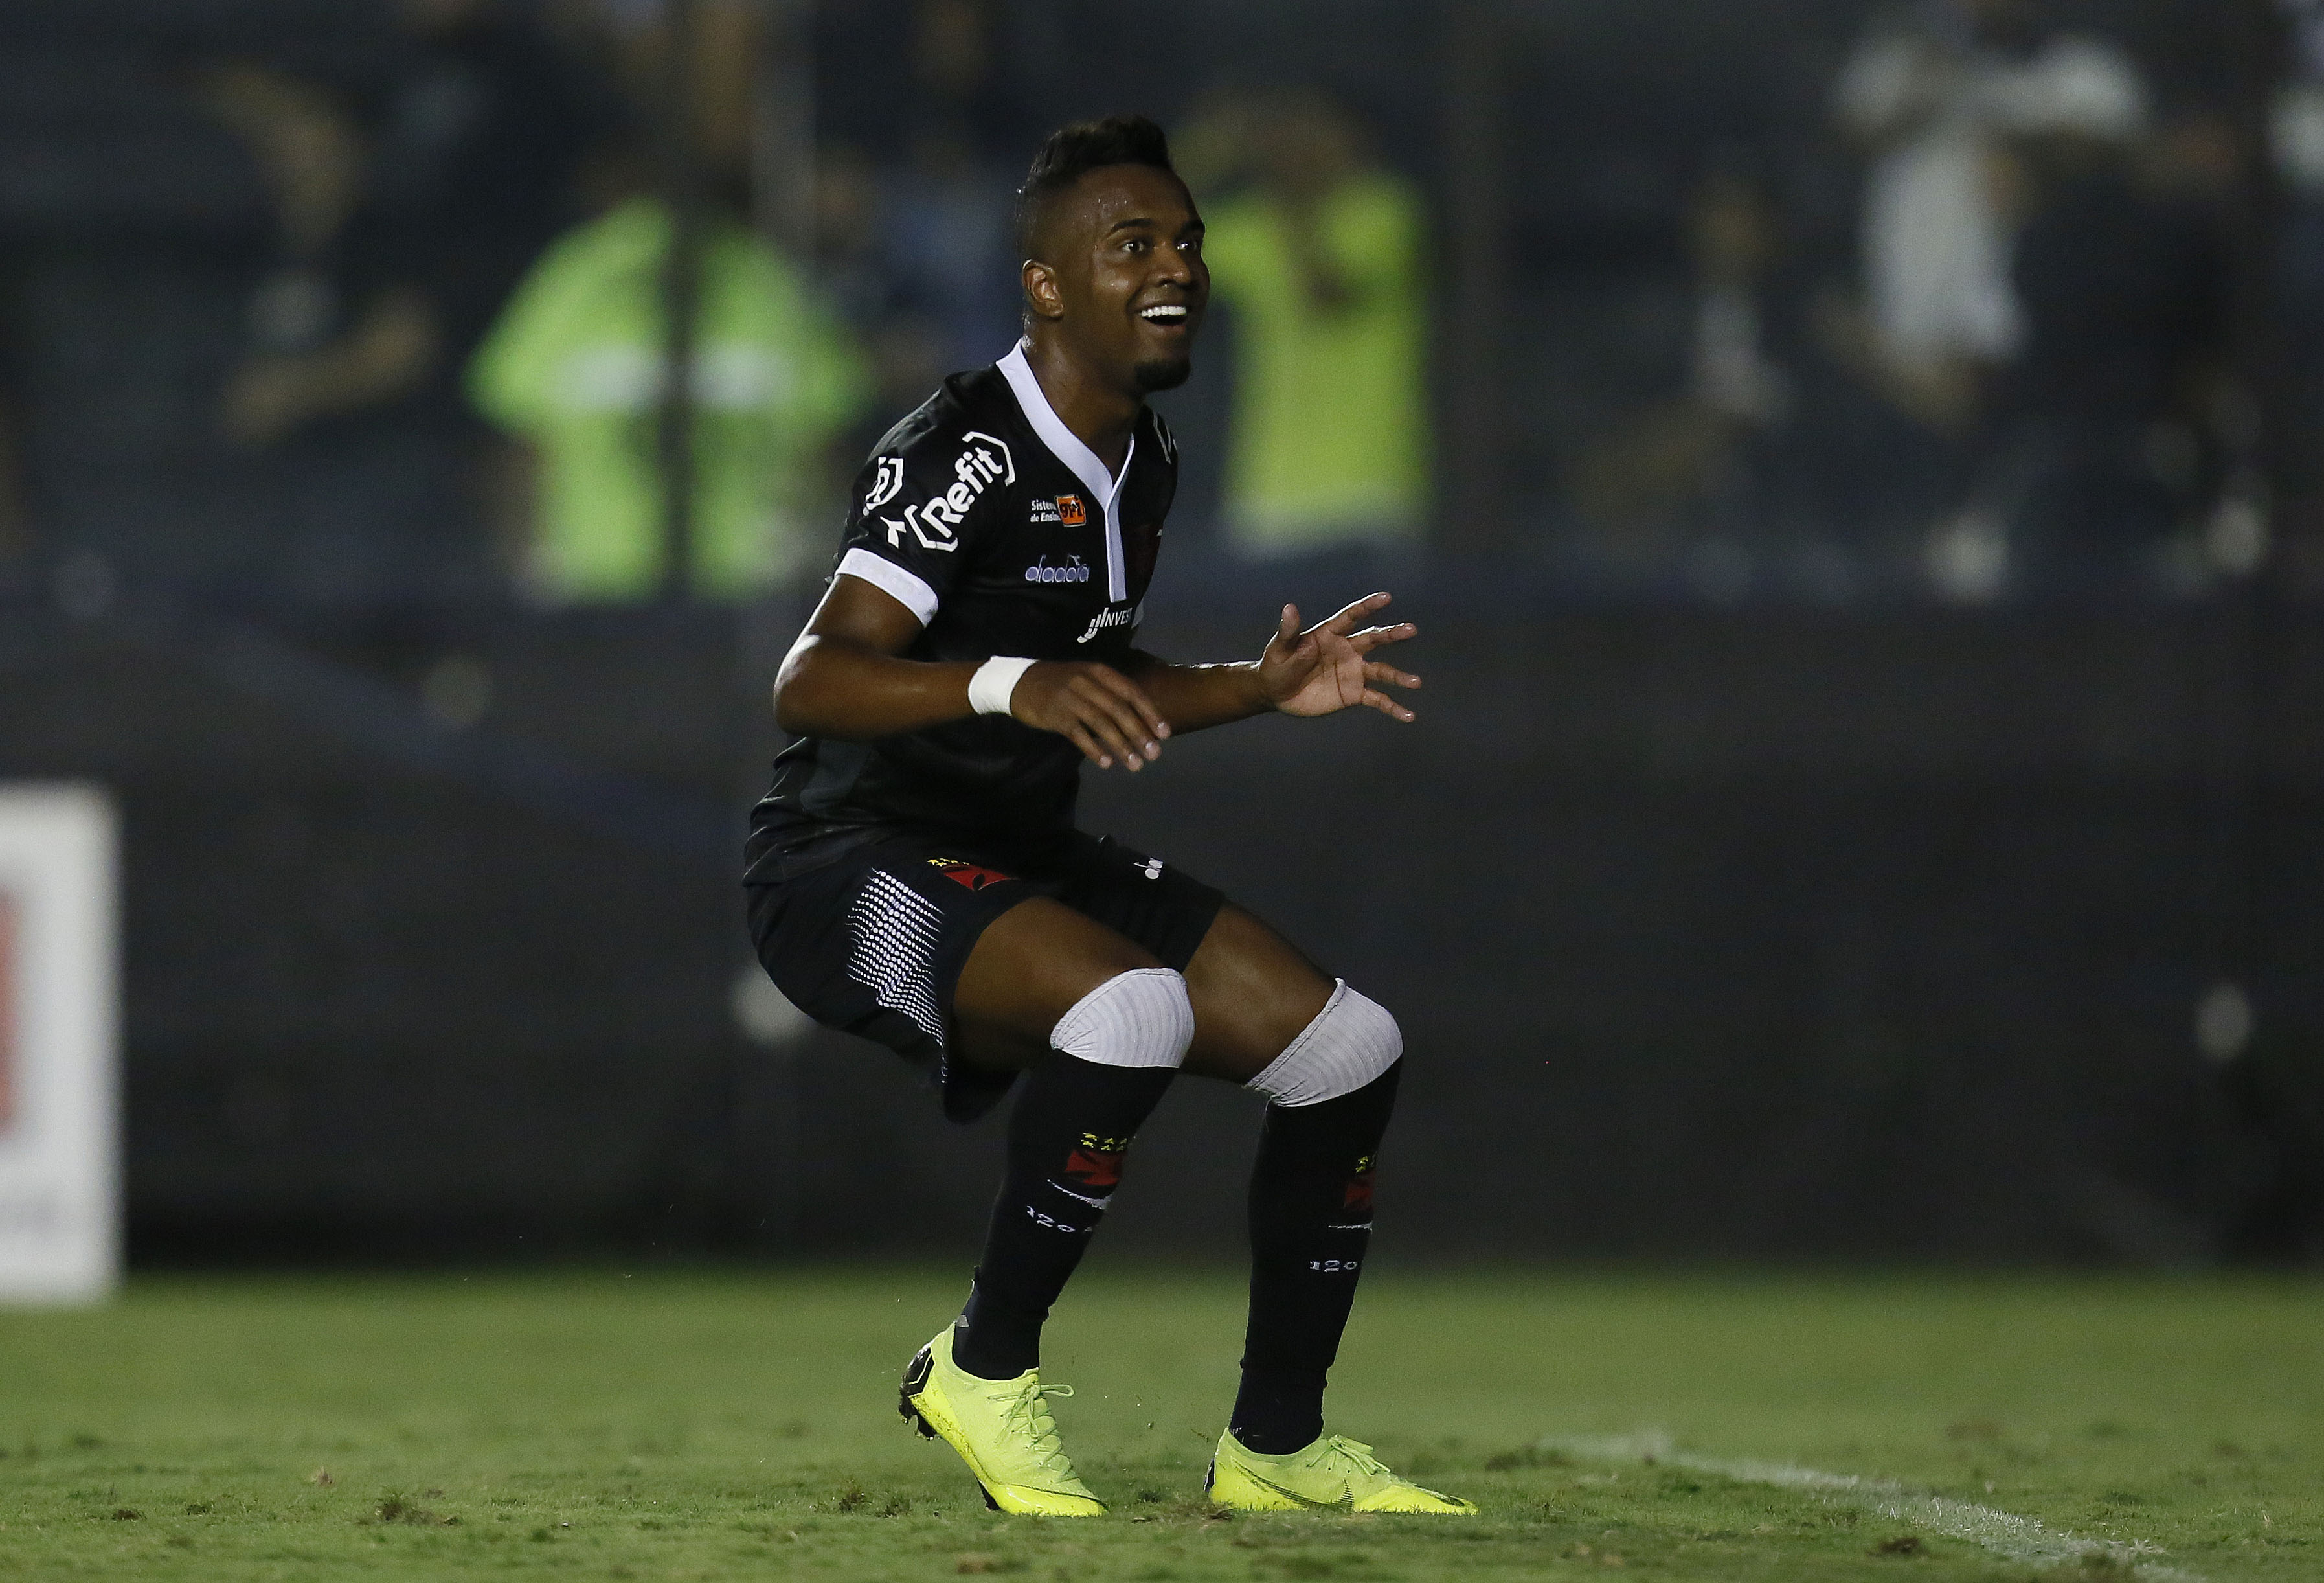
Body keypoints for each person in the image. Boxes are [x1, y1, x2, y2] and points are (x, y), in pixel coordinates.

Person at [743, 117, 1471, 1518]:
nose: (1175, 268)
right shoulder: (965, 445)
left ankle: (1275, 1447)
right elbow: (812, 678)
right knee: (1132, 1010)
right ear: (1047, 285)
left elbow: (1096, 679)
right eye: (1132, 244)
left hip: (1013, 853)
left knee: (1346, 1049)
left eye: (1186, 241)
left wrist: (1254, 687)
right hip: (845, 864)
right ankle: (980, 1367)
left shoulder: (1146, 456)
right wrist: (1011, 682)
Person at [1190, 91, 1430, 566]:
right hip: (1272, 498)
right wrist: (1208, 151)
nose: (1300, 148)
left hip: (1369, 493)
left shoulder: (1383, 211)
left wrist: (1285, 196)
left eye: (1316, 131)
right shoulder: (1255, 224)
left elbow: (1325, 295)